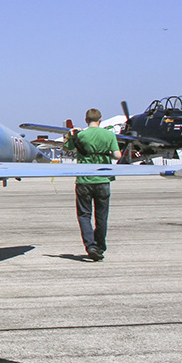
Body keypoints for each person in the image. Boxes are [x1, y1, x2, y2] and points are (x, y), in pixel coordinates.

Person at [65, 108, 121, 260]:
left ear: (86, 120)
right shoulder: (109, 135)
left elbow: (67, 147)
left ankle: (90, 245)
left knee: (84, 215)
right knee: (101, 215)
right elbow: (117, 155)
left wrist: (71, 134)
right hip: (103, 179)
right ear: (100, 119)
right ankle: (100, 245)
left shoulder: (81, 135)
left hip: (84, 180)